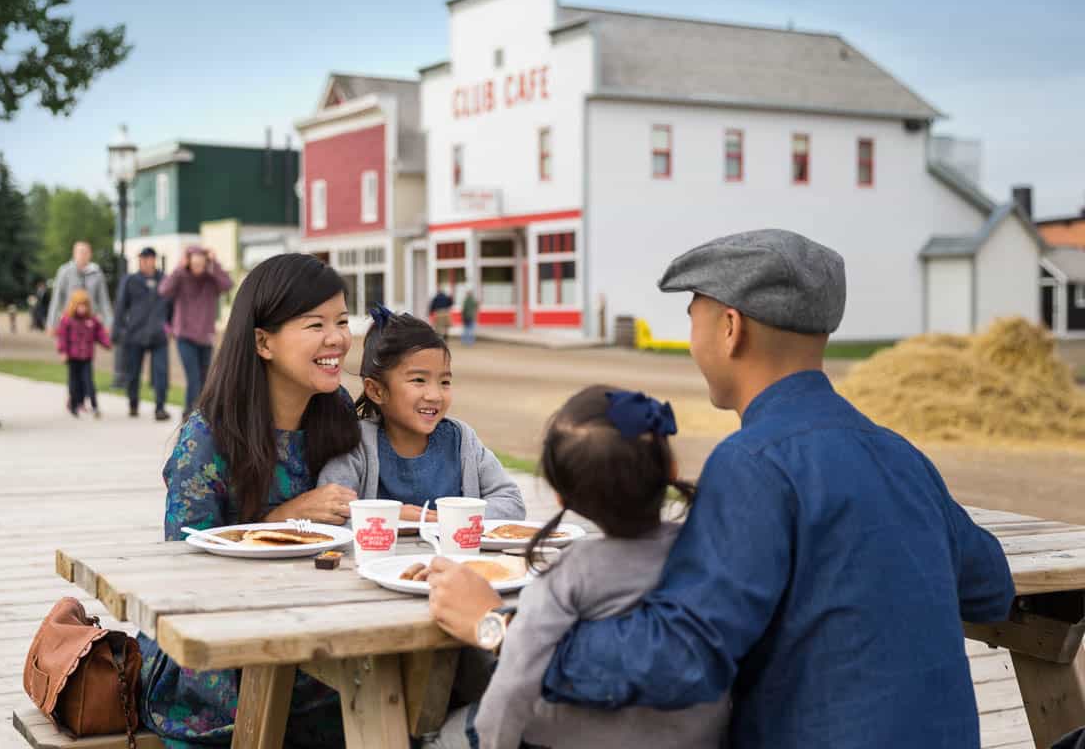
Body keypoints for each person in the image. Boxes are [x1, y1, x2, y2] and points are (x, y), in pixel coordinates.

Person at [426, 229, 1016, 749]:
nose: (692, 335)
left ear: (730, 329)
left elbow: (680, 660)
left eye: (692, 315)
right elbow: (989, 587)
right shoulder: (897, 452)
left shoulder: (753, 463)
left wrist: (498, 629)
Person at [138, 253, 363, 749]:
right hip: (220, 674)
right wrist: (284, 518)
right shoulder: (209, 438)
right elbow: (184, 563)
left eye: (343, 321)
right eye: (316, 324)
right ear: (263, 341)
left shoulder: (338, 411)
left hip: (321, 645)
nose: (338, 339)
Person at [426, 386, 727, 749]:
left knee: (444, 734)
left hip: (583, 735)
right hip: (698, 736)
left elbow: (512, 686)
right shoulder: (709, 549)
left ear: (560, 496)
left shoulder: (567, 575)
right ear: (672, 468)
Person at [319, 305, 525, 522]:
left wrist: (444, 519)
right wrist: (388, 517)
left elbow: (511, 502)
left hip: (451, 557)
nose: (435, 395)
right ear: (377, 390)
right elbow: (330, 513)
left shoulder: (462, 440)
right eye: (419, 380)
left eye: (444, 382)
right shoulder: (355, 444)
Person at [159, 245, 233, 415]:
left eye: (202, 262)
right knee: (193, 378)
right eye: (195, 262)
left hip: (205, 337)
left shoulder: (211, 280)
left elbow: (228, 285)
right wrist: (178, 267)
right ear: (189, 262)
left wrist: (215, 263)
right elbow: (163, 290)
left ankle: (196, 414)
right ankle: (191, 414)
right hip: (184, 336)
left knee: (205, 380)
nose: (198, 266)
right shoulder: (180, 277)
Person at [113, 247, 172, 421]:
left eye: (149, 258)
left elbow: (172, 306)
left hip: (158, 334)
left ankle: (160, 407)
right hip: (135, 333)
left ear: (154, 260)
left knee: (161, 372)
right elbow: (121, 306)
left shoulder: (165, 280)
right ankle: (133, 403)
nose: (145, 262)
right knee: (133, 372)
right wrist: (119, 330)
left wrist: (171, 326)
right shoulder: (130, 281)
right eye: (142, 259)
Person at [56, 290, 111, 418]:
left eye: (85, 306)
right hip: (73, 357)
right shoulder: (67, 319)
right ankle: (74, 404)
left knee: (88, 381)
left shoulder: (92, 320)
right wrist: (63, 352)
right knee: (74, 382)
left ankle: (94, 405)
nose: (82, 308)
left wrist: (106, 343)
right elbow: (62, 337)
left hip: (87, 356)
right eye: (80, 305)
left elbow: (100, 333)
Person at [47, 241, 113, 335]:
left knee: (87, 348)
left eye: (86, 252)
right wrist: (51, 324)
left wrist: (108, 323)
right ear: (74, 253)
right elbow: (56, 299)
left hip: (89, 321)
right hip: (69, 320)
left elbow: (104, 300)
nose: (83, 255)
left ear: (90, 254)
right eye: (80, 252)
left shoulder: (97, 273)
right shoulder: (64, 271)